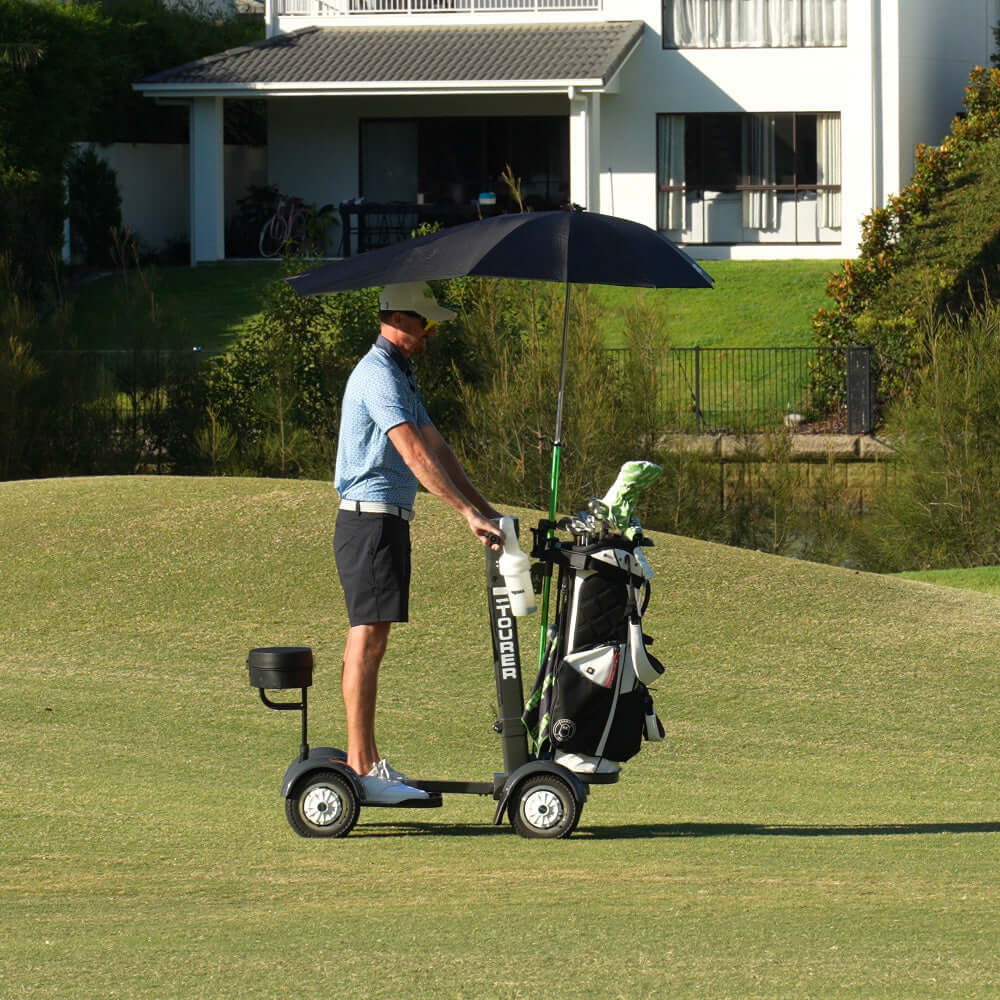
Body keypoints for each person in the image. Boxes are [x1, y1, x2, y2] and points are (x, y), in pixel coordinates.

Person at [333, 280, 503, 804]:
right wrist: (464, 514)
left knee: (373, 639)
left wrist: (487, 509)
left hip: (386, 521)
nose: (430, 333)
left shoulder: (402, 375)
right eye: (424, 323)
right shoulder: (377, 374)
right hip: (369, 523)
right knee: (367, 639)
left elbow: (440, 449)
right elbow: (413, 454)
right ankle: (362, 768)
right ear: (399, 318)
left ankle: (367, 762)